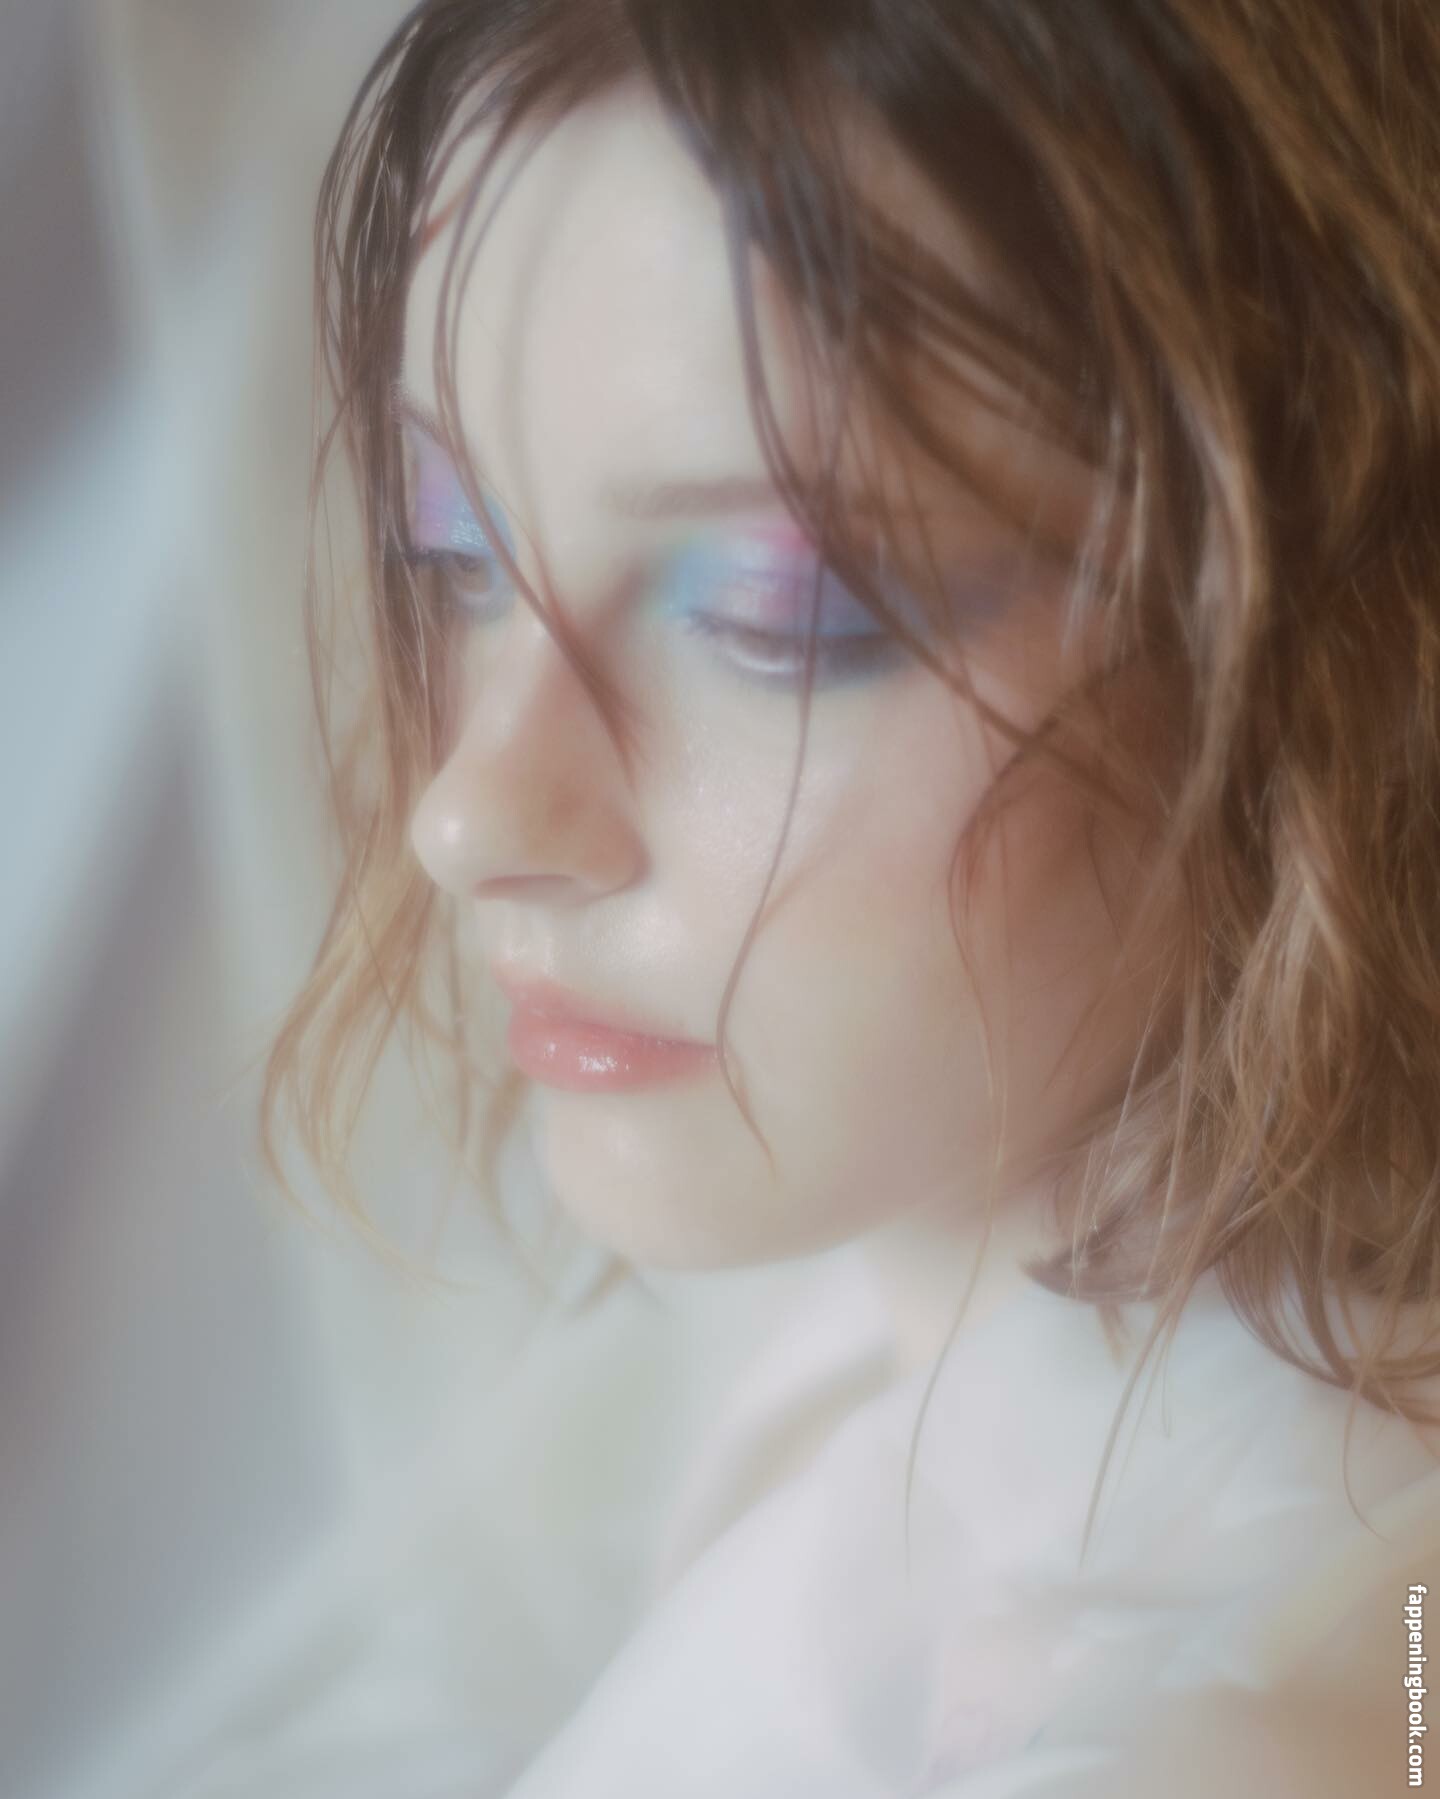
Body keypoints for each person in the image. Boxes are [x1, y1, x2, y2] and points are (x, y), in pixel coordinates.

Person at [262, 1, 1440, 1791]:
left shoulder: (1223, 1738)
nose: (468, 810)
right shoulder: (848, 1341)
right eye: (457, 550)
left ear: (1332, 638)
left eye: (778, 613)